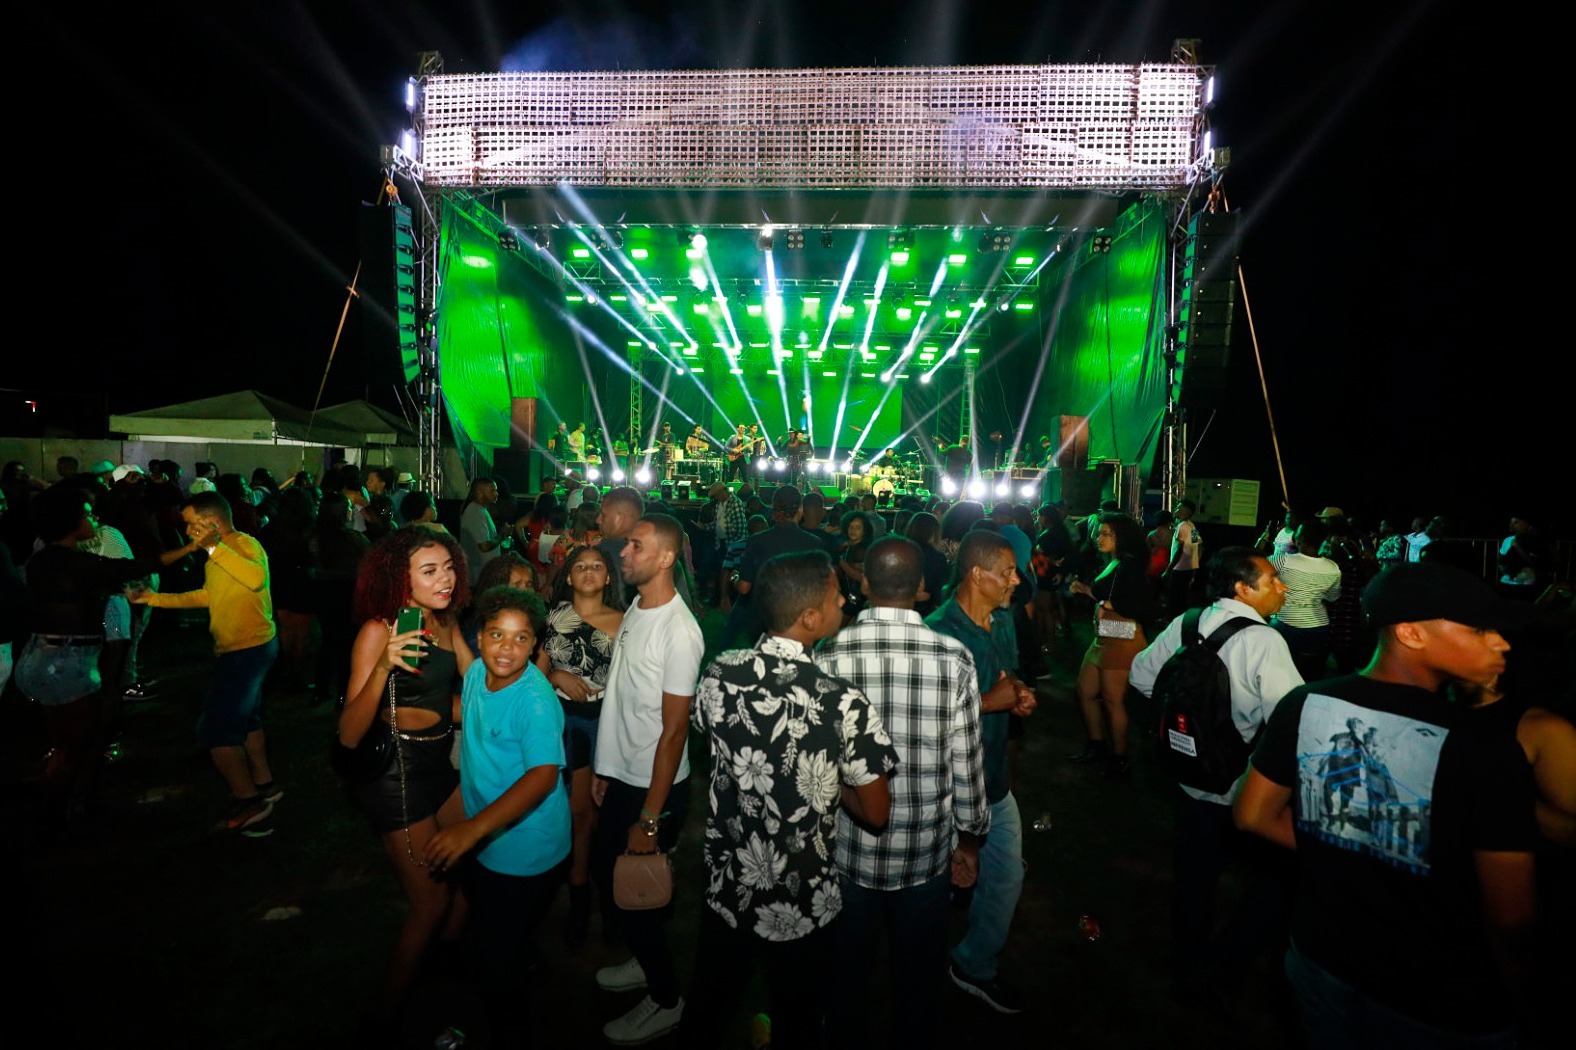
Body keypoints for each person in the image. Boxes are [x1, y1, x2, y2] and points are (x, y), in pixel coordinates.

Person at [1234, 562, 1538, 1048]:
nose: (1501, 643)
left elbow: (1252, 815)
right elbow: (1511, 917)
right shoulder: (1485, 747)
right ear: (1411, 633)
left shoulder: (1305, 703)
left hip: (1321, 961)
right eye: (1479, 629)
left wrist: (1344, 849)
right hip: (1441, 1000)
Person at [684, 549, 897, 1047]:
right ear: (809, 618)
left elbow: (706, 734)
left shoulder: (720, 671)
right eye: (835, 595)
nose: (844, 601)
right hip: (802, 894)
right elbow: (876, 811)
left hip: (729, 880)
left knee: (709, 1006)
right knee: (798, 1020)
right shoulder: (842, 700)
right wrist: (826, 782)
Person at [815, 536, 989, 1049]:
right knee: (918, 982)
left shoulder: (828, 653)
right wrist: (970, 841)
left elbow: (816, 761)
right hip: (924, 853)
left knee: (845, 976)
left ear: (865, 584)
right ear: (921, 589)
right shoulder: (953, 657)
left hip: (848, 851)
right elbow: (967, 763)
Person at [1128, 547, 1301, 997]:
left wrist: (1183, 723)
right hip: (1242, 782)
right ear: (1243, 589)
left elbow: (1141, 676)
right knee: (1277, 879)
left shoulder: (1188, 622)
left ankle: (1187, 957)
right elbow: (1290, 719)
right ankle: (1223, 966)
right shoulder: (1264, 641)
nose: (1282, 588)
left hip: (1190, 774)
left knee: (1195, 872)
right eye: (1272, 580)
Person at [335, 526, 474, 1028]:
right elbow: (349, 733)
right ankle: (385, 1017)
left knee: (462, 873)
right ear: (401, 577)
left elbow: (474, 689)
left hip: (439, 764)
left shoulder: (445, 619)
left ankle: (442, 971)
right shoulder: (381, 630)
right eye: (429, 571)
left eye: (449, 567)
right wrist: (383, 668)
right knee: (430, 902)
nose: (445, 579)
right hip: (397, 772)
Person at [425, 585, 570, 1050]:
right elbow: (469, 700)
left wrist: (470, 829)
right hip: (489, 839)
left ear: (535, 645)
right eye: (496, 635)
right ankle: (525, 960)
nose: (506, 648)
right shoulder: (476, 675)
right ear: (481, 636)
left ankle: (511, 1028)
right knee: (498, 926)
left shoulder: (535, 700)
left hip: (526, 849)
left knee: (495, 960)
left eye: (520, 638)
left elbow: (543, 776)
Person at [591, 513, 704, 1045]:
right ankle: (643, 959)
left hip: (652, 788)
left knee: (630, 889)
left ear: (666, 558)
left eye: (636, 545)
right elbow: (624, 699)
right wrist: (605, 767)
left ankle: (666, 999)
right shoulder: (638, 607)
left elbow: (675, 730)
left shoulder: (679, 632)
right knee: (615, 882)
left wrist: (650, 818)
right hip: (625, 774)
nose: (624, 552)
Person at [19, 485, 191, 830]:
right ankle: (58, 816)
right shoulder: (80, 563)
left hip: (37, 656)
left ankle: (65, 807)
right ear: (69, 521)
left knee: (69, 740)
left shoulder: (42, 560)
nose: (93, 519)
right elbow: (137, 566)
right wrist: (192, 547)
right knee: (82, 743)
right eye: (86, 514)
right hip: (67, 661)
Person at [926, 529, 1038, 1014]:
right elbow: (925, 721)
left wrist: (1019, 693)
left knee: (1005, 877)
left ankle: (973, 963)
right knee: (933, 888)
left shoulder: (1004, 619)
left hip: (992, 781)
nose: (1017, 580)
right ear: (977, 575)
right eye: (1007, 572)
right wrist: (993, 702)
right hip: (944, 790)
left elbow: (1005, 677)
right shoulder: (938, 634)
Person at [129, 491, 284, 835]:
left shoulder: (242, 545)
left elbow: (255, 578)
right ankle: (265, 785)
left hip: (247, 650)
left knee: (216, 731)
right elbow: (210, 596)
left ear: (211, 523)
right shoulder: (222, 552)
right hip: (246, 649)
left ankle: (248, 803)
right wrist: (153, 598)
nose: (186, 532)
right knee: (247, 720)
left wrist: (214, 547)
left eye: (190, 525)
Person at [538, 543, 626, 951]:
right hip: (560, 721)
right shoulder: (552, 617)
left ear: (608, 578)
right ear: (568, 577)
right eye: (580, 566)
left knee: (602, 816)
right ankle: (578, 899)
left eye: (597, 566)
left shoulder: (625, 621)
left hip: (605, 723)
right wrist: (556, 675)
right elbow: (533, 677)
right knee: (573, 814)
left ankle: (609, 903)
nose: (589, 571)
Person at [1068, 512, 1155, 777]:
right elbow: (1108, 594)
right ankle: (1097, 746)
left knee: (1113, 700)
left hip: (1122, 636)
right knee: (1085, 691)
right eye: (1099, 533)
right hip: (1105, 635)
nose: (1099, 538)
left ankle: (1120, 758)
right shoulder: (1115, 561)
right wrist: (1087, 591)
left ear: (1122, 538)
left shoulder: (1129, 564)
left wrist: (1107, 603)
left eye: (1107, 534)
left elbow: (1140, 604)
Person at [721, 484, 826, 648]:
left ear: (774, 508)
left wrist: (734, 577)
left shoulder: (757, 540)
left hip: (763, 618)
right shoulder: (814, 543)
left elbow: (744, 587)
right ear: (800, 509)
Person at [1268, 520, 1342, 681]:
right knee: (1307, 674)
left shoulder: (1282, 560)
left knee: (1278, 671)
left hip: (1284, 621)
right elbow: (1332, 597)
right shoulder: (1333, 567)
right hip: (1317, 627)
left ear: (1300, 539)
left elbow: (1255, 573)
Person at [458, 476, 505, 585]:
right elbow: (484, 546)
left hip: (484, 573)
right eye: (492, 491)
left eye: (496, 490)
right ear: (479, 493)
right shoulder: (475, 512)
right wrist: (502, 535)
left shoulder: (480, 509)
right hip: (480, 575)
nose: (496, 494)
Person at [1163, 498, 1203, 620]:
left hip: (1179, 568)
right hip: (1189, 568)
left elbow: (1179, 550)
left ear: (1186, 511)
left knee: (1173, 597)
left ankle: (1170, 620)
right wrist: (1195, 563)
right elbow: (1198, 545)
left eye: (1178, 507)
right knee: (1181, 597)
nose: (1176, 509)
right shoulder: (1191, 525)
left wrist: (1168, 569)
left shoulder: (1182, 526)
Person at [904, 510, 950, 616]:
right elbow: (939, 592)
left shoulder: (900, 550)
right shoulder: (937, 557)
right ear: (934, 533)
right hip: (926, 610)